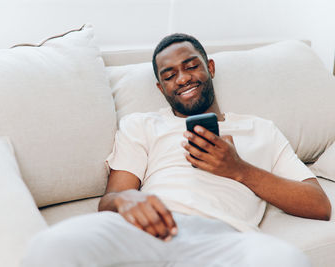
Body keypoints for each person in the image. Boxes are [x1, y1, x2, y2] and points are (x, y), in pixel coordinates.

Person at [23, 34, 331, 267]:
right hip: (145, 229)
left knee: (286, 259)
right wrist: (128, 198)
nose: (182, 78)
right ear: (161, 88)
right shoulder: (142, 124)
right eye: (169, 75)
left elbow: (319, 205)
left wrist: (239, 170)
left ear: (209, 67)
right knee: (53, 245)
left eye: (190, 66)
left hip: (224, 239)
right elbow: (113, 197)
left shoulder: (261, 129)